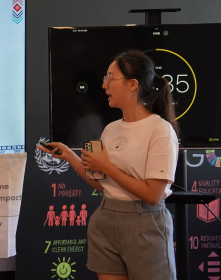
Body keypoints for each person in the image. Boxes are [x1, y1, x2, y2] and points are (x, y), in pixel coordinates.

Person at [37, 49, 179, 280]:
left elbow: (153, 195)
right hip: (106, 219)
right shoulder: (111, 129)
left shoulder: (160, 129)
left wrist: (107, 167)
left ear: (133, 84)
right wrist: (71, 157)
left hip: (146, 223)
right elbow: (105, 186)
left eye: (110, 78)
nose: (104, 86)